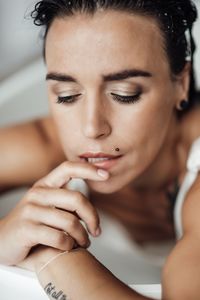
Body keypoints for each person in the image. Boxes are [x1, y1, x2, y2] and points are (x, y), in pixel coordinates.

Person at [1, 0, 200, 299]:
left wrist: (51, 255)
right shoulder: (44, 146)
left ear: (181, 84)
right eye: (67, 96)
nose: (92, 128)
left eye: (125, 94)